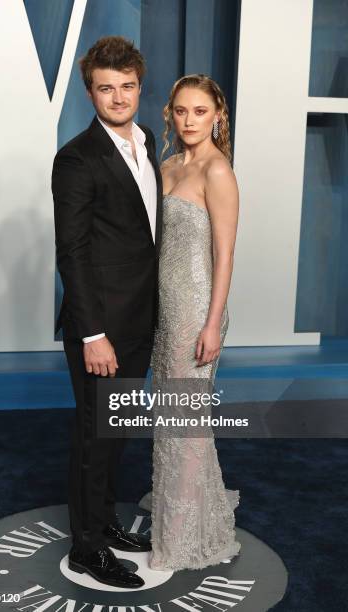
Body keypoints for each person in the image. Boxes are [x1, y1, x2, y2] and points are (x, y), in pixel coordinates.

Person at [51, 36, 162, 588]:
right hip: (101, 329)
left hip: (139, 321)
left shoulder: (148, 143)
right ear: (90, 91)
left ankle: (106, 524)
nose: (117, 97)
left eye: (126, 86)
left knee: (116, 432)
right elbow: (70, 251)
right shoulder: (77, 157)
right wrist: (92, 333)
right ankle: (86, 549)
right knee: (95, 436)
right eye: (105, 88)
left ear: (140, 86)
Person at [147, 74, 241, 571]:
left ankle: (184, 539)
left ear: (217, 116)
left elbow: (224, 255)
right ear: (170, 113)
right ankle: (178, 513)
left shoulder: (217, 172)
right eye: (181, 111)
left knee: (186, 421)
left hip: (197, 309)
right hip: (166, 309)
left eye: (200, 111)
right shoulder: (167, 166)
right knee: (172, 418)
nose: (189, 121)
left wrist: (212, 323)